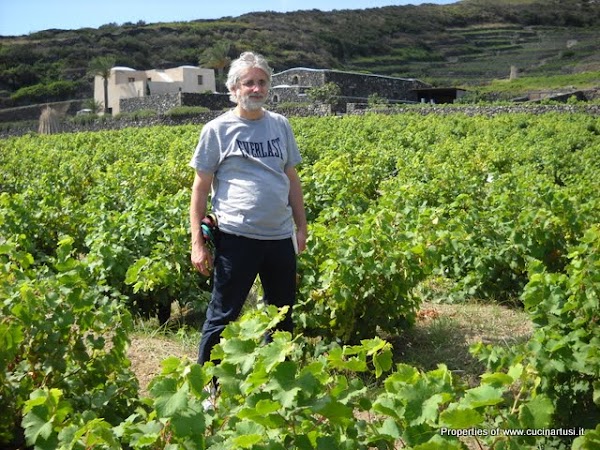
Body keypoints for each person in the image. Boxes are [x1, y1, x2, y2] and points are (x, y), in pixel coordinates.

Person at [189, 51, 308, 367]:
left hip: (280, 237)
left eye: (262, 82)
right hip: (236, 237)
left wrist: (301, 226)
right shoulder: (217, 130)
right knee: (223, 315)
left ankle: (277, 384)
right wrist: (197, 243)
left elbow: (291, 178)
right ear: (233, 90)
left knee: (281, 314)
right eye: (248, 83)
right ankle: (209, 392)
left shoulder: (280, 125)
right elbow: (200, 188)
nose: (256, 89)